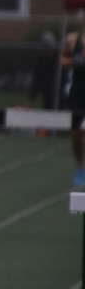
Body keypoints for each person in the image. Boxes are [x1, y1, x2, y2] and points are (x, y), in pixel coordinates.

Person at [60, 15, 85, 186]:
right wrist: (74, 60)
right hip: (77, 91)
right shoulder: (72, 39)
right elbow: (63, 59)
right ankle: (80, 167)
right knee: (76, 132)